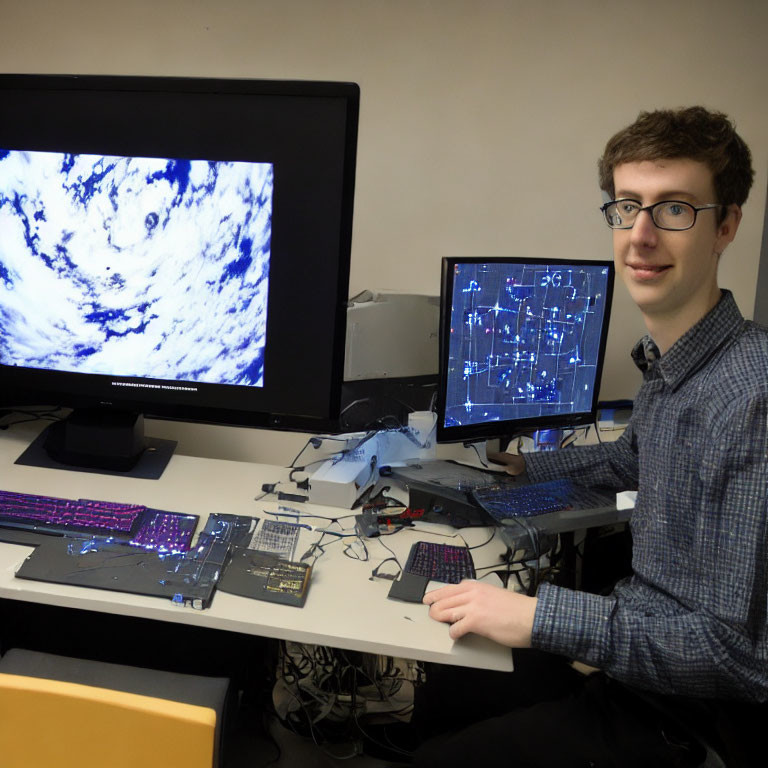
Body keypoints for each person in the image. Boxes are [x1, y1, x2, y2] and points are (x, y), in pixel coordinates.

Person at [411, 107, 767, 768]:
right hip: (636, 665)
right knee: (444, 687)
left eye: (674, 209)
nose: (640, 236)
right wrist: (524, 468)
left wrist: (539, 616)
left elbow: (736, 656)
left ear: (727, 226)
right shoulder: (676, 367)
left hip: (691, 714)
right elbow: (633, 456)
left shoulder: (750, 399)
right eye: (627, 206)